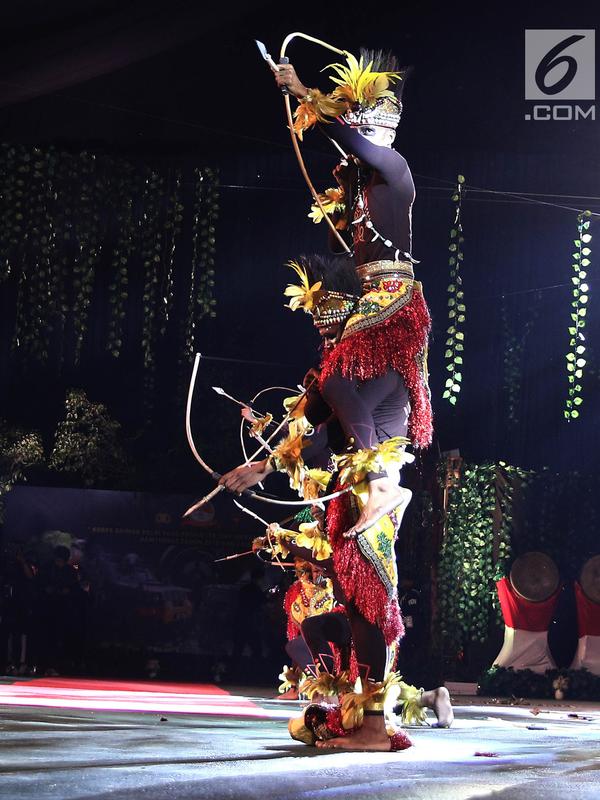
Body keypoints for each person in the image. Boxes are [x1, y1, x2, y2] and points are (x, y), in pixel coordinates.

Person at [220, 47, 435, 751]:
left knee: (367, 571)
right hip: (360, 449)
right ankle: (368, 713)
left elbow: (354, 145)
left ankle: (376, 720)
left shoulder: (396, 174)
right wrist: (260, 464)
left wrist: (303, 92)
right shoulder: (348, 336)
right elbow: (316, 395)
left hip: (390, 352)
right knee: (351, 582)